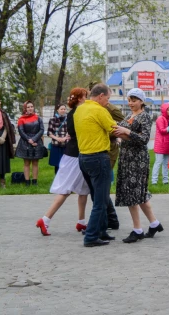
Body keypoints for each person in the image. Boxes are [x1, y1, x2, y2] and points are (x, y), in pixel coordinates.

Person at [36, 88, 90, 236]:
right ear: (80, 98)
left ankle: (81, 221)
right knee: (65, 190)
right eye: (86, 96)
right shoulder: (76, 113)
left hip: (79, 153)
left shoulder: (74, 113)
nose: (87, 98)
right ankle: (45, 219)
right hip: (73, 156)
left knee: (84, 190)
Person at [112, 88, 164, 244]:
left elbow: (144, 139)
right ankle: (154, 224)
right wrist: (119, 133)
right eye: (129, 100)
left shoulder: (145, 117)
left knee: (133, 194)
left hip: (138, 159)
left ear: (142, 101)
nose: (131, 103)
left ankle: (137, 230)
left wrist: (127, 132)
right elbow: (120, 132)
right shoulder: (128, 115)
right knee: (139, 194)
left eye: (134, 100)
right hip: (126, 157)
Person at [74, 83, 115, 247]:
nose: (108, 102)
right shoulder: (99, 110)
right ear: (101, 96)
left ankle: (102, 230)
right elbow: (114, 128)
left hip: (83, 157)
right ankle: (91, 236)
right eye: (108, 99)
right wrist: (131, 132)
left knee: (99, 196)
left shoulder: (80, 109)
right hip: (98, 157)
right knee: (100, 200)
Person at [88, 80, 124, 230]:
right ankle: (109, 220)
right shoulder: (88, 108)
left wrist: (117, 134)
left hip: (108, 149)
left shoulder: (108, 108)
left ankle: (107, 221)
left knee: (102, 187)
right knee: (97, 188)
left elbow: (121, 120)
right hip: (94, 149)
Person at [15, 101, 45, 186]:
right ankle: (27, 181)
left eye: (31, 106)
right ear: (25, 108)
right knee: (26, 163)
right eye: (28, 107)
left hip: (37, 141)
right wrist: (29, 140)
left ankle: (35, 181)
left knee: (35, 162)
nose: (30, 108)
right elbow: (21, 131)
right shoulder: (21, 119)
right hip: (25, 142)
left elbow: (42, 129)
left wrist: (34, 139)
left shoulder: (38, 118)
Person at [152, 103, 169, 185]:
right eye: (168, 109)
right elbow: (162, 130)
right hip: (160, 144)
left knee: (166, 163)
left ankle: (166, 180)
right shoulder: (160, 119)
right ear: (164, 110)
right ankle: (154, 180)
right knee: (158, 162)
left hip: (168, 144)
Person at [0, 97, 15, 189]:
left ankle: (2, 181)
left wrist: (3, 137)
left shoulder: (3, 113)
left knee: (2, 160)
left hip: (3, 137)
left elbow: (7, 126)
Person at [47, 104, 68, 174]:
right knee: (57, 164)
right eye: (61, 109)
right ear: (57, 110)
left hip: (65, 145)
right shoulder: (52, 119)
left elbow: (70, 131)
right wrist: (57, 138)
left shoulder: (68, 119)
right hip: (56, 145)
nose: (63, 110)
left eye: (64, 109)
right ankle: (57, 180)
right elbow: (49, 133)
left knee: (65, 164)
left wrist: (65, 138)